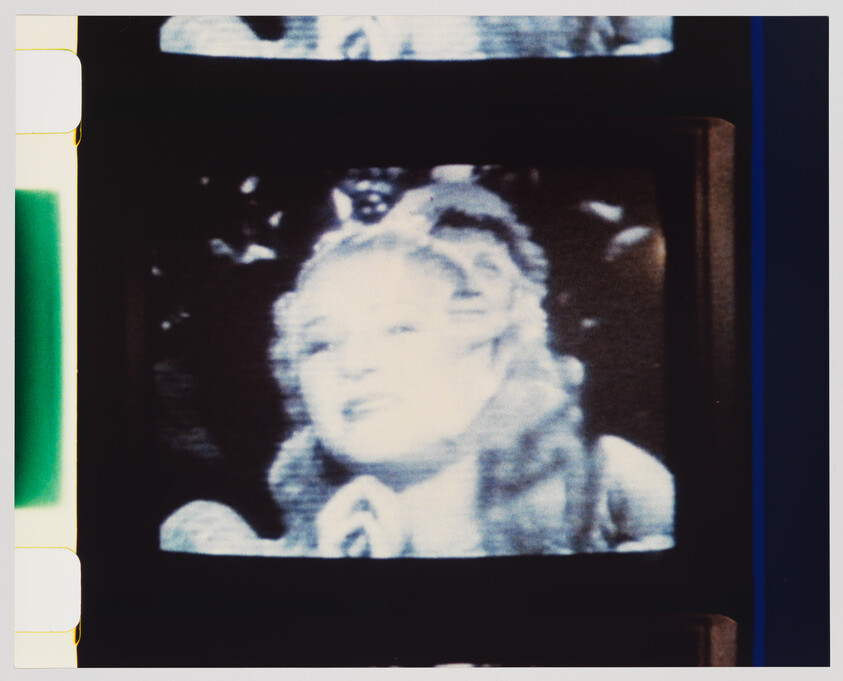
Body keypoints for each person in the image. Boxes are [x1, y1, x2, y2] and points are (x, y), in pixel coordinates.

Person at [161, 200, 674, 557]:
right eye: (320, 343)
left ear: (491, 358)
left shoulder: (609, 489)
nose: (355, 363)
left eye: (398, 328)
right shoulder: (244, 543)